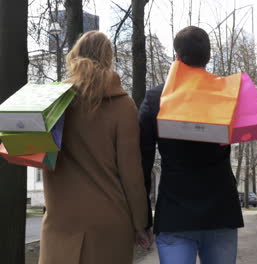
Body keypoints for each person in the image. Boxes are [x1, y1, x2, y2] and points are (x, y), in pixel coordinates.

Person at [39, 31, 151, 264]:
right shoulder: (122, 105)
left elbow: (41, 159)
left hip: (61, 221)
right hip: (109, 223)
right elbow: (131, 173)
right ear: (109, 59)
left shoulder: (53, 102)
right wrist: (141, 224)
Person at [139, 26, 244, 264]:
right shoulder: (229, 96)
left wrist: (143, 219)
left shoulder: (157, 99)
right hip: (221, 211)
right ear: (207, 57)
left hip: (175, 213)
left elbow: (142, 162)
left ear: (176, 56)